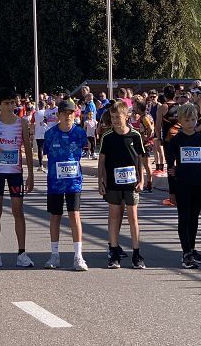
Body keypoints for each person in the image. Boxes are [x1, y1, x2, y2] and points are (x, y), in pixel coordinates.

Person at [0, 88, 35, 269]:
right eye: (7, 103)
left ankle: (22, 253)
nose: (11, 106)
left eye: (13, 103)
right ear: (0, 105)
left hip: (15, 173)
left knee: (18, 211)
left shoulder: (22, 123)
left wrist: (31, 175)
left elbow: (27, 148)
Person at [164, 103, 201, 269]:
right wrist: (172, 190)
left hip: (197, 183)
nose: (191, 123)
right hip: (182, 184)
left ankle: (192, 249)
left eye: (194, 119)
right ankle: (185, 253)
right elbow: (170, 167)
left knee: (194, 218)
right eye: (187, 120)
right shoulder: (175, 140)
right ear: (180, 120)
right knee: (184, 218)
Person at [97, 100, 146, 269]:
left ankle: (137, 253)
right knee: (114, 216)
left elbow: (140, 158)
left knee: (133, 217)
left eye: (119, 117)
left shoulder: (135, 136)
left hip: (131, 182)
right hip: (113, 182)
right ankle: (114, 251)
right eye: (113, 117)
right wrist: (100, 180)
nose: (116, 120)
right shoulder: (107, 137)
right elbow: (101, 160)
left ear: (127, 117)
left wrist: (142, 179)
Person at [42, 99, 89, 271]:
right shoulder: (50, 134)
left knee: (74, 215)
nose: (67, 116)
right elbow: (46, 153)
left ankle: (78, 256)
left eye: (70, 113)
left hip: (74, 183)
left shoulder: (80, 133)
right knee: (55, 217)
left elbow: (84, 149)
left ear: (75, 114)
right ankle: (54, 255)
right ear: (58, 115)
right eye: (64, 113)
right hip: (55, 183)